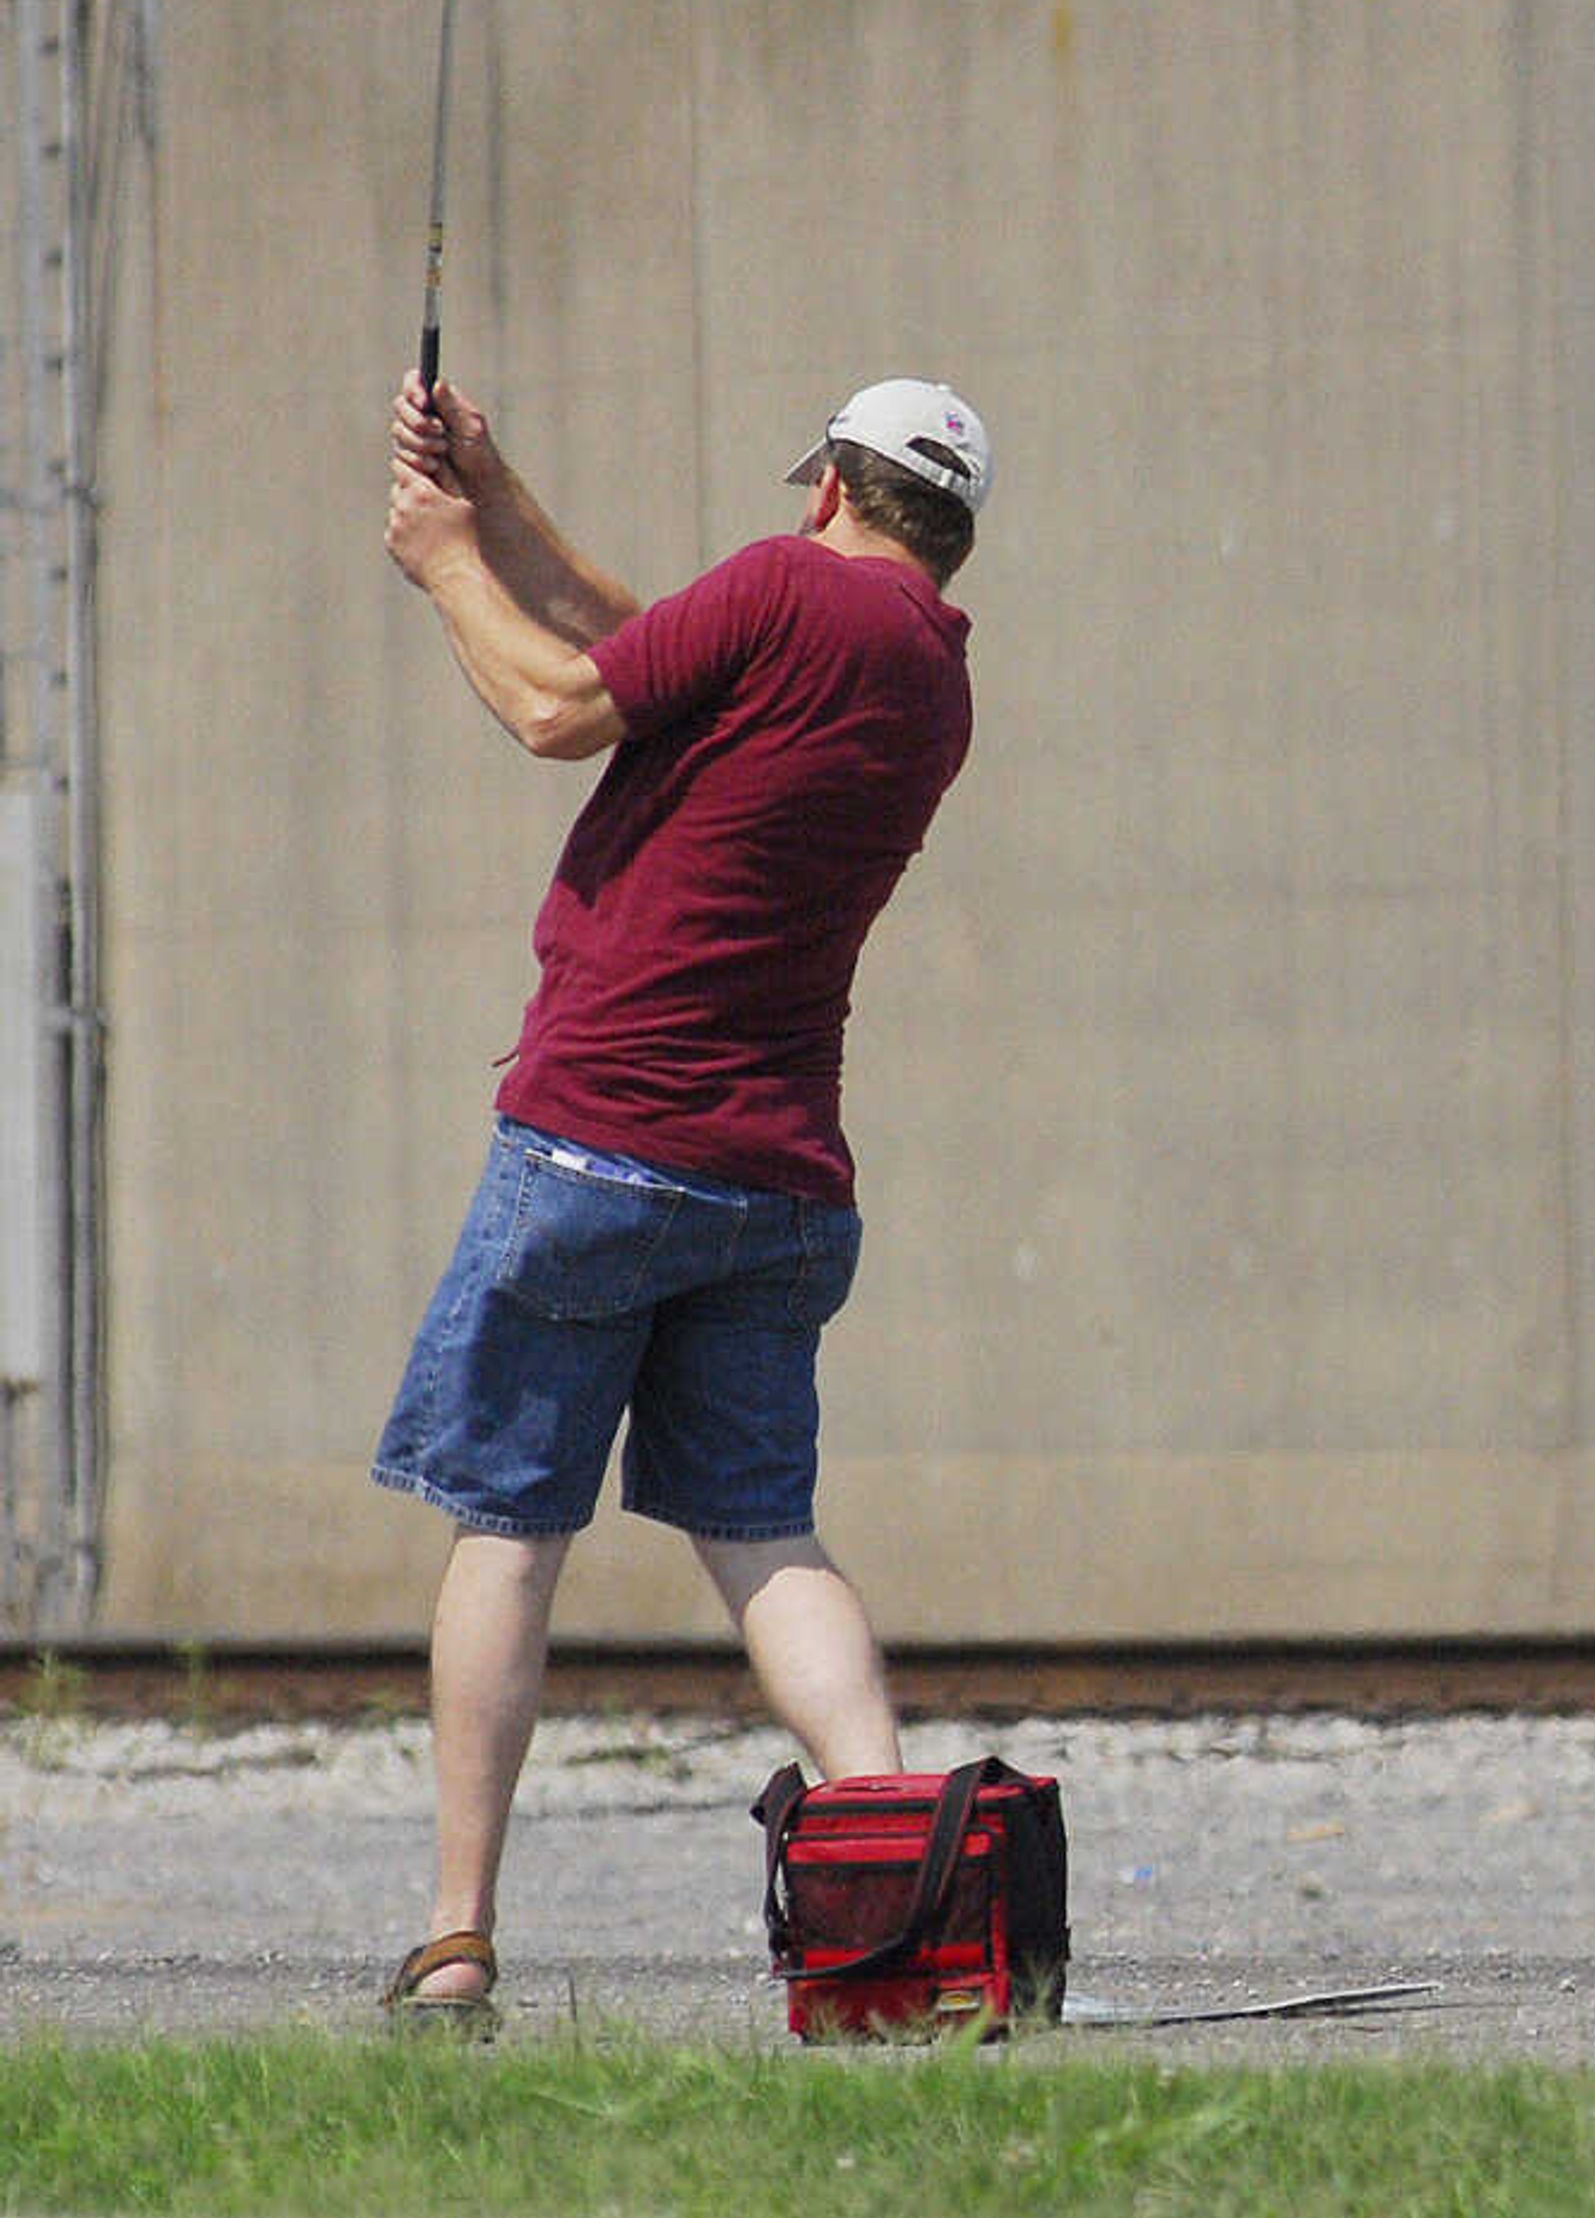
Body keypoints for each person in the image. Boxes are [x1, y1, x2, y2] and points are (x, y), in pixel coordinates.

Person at [367, 369, 990, 2028]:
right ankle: (909, 1889)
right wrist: (495, 497)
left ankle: (454, 1937)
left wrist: (441, 561)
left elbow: (564, 707)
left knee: (511, 1521)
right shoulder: (928, 675)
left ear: (834, 490)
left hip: (596, 1140)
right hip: (779, 1173)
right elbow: (648, 638)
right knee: (761, 1527)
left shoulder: (789, 587)